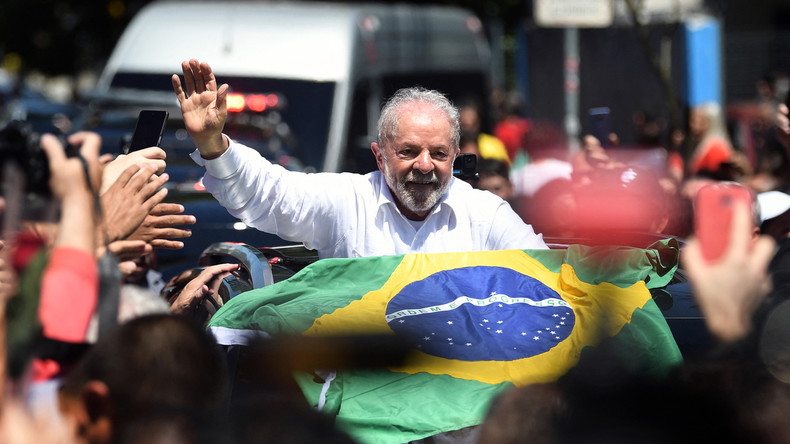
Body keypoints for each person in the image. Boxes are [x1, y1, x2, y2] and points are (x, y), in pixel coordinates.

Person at [171, 59, 547, 258]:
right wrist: (212, 143)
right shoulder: (347, 201)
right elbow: (267, 194)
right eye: (409, 151)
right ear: (379, 157)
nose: (424, 165)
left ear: (455, 156)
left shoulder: (485, 214)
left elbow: (546, 277)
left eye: (438, 154)